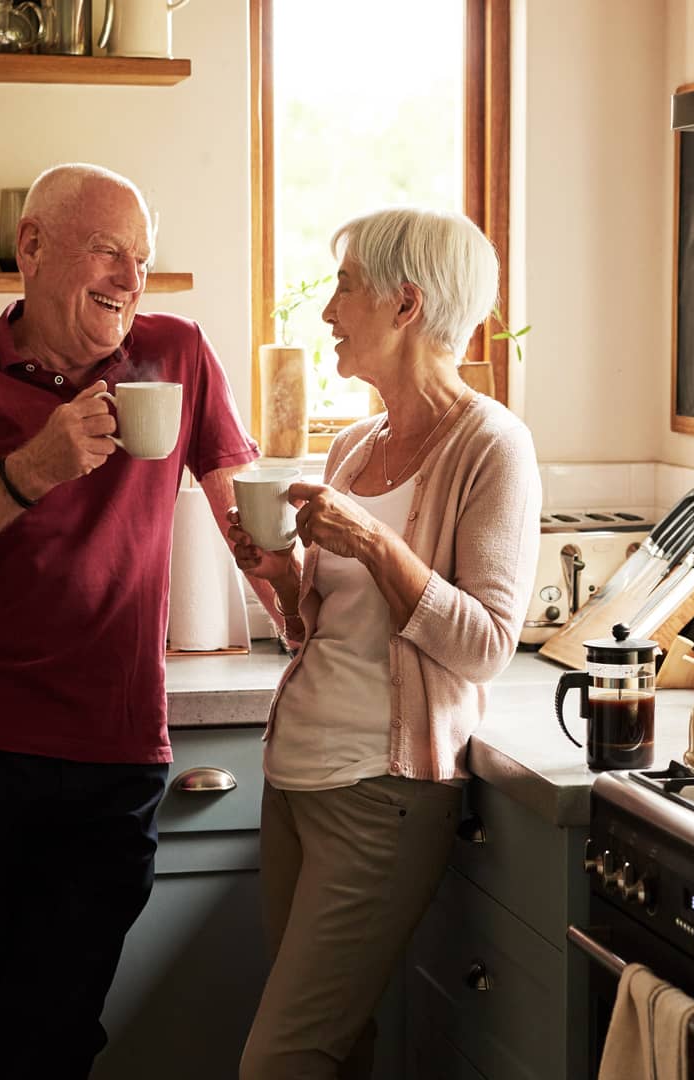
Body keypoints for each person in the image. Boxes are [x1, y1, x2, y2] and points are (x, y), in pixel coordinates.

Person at [0, 163, 269, 1079]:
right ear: (33, 248)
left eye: (143, 259)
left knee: (53, 1041)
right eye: (107, 251)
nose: (131, 280)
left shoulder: (177, 353)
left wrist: (302, 587)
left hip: (110, 762)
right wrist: (31, 469)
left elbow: (243, 520)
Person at [230, 207, 542, 1079]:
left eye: (344, 288)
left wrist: (371, 541)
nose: (329, 312)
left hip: (382, 794)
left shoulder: (492, 446)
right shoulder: (353, 447)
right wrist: (278, 575)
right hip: (294, 779)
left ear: (405, 305)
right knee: (337, 1048)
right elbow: (315, 632)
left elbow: (486, 644)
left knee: (281, 1061)